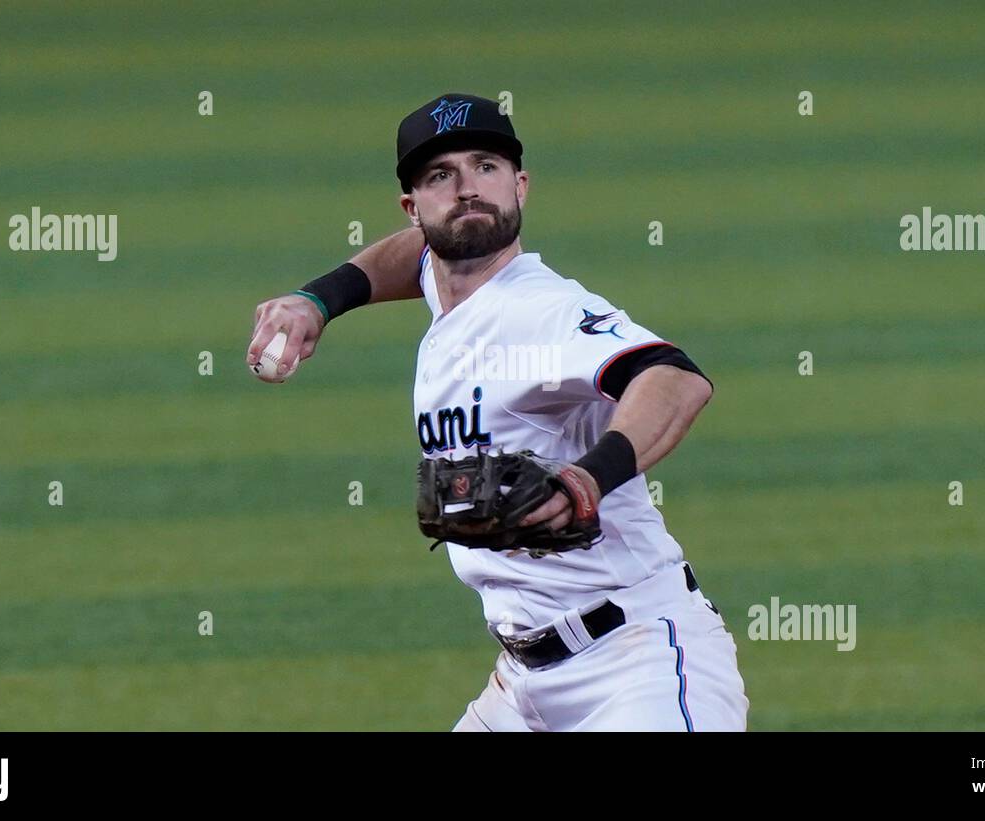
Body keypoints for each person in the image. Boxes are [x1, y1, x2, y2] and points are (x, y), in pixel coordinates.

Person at [248, 93, 748, 731]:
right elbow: (418, 257)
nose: (466, 189)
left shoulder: (543, 311)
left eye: (486, 166)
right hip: (522, 684)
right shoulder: (449, 281)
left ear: (521, 185)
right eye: (440, 177)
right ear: (414, 206)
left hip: (636, 663)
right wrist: (317, 300)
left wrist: (585, 479)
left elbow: (674, 380)